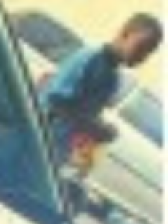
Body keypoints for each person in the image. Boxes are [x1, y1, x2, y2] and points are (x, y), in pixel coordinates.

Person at [39, 13, 163, 167]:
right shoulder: (92, 58)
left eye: (149, 52)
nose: (143, 56)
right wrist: (96, 128)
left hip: (56, 151)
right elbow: (56, 101)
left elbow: (83, 111)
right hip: (40, 141)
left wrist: (99, 129)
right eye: (141, 47)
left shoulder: (112, 77)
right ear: (125, 34)